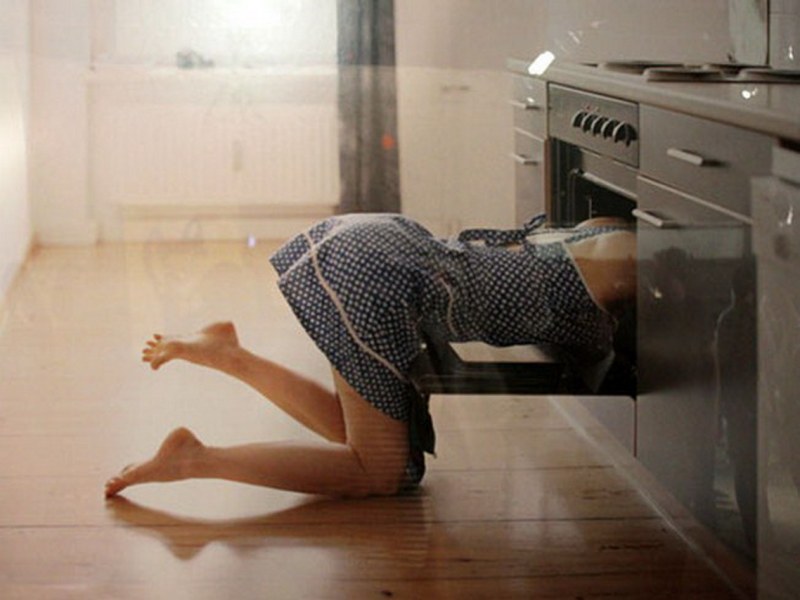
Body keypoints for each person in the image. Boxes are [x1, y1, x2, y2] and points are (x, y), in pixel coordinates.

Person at [104, 213, 636, 499]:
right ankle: (196, 459)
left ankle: (228, 354)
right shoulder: (631, 266)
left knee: (365, 438)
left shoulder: (606, 231)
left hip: (375, 243)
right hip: (374, 280)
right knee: (380, 473)